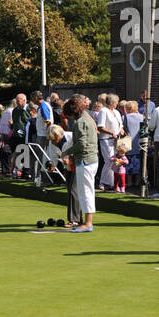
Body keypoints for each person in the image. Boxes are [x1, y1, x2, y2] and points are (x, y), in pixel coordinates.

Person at [62, 95, 99, 231]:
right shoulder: (88, 117)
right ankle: (86, 222)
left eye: (69, 115)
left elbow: (82, 144)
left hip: (85, 160)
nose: (69, 118)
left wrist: (66, 152)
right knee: (86, 191)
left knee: (86, 192)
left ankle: (88, 223)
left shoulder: (81, 122)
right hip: (90, 159)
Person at [48, 123, 80, 226]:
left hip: (78, 165)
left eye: (54, 139)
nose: (52, 142)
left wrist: (71, 159)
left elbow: (80, 149)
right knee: (71, 190)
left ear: (58, 135)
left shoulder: (71, 137)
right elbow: (53, 156)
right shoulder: (52, 143)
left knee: (73, 191)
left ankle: (74, 220)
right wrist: (52, 165)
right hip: (68, 167)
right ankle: (77, 219)